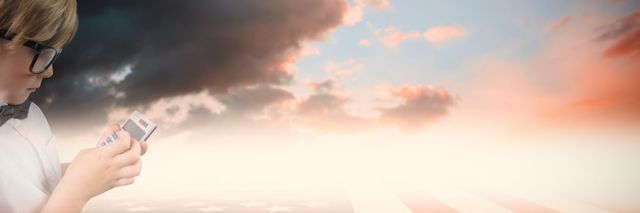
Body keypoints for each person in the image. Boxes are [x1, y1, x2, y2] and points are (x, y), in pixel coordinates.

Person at [0, 0, 148, 212]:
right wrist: (77, 190)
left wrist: (96, 167)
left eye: (54, 54)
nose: (48, 72)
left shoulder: (32, 115)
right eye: (41, 53)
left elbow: (27, 183)